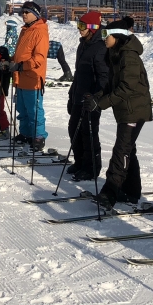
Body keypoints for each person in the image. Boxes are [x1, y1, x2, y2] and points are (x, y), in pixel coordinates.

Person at [84, 17, 152, 206]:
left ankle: (110, 192)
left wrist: (102, 104)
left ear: (118, 37)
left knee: (121, 151)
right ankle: (131, 191)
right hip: (126, 109)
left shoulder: (128, 56)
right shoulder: (116, 54)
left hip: (134, 110)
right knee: (128, 149)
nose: (103, 37)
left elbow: (126, 88)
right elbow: (110, 85)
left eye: (107, 34)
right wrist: (96, 98)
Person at [67, 11, 109, 181]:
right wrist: (72, 95)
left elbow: (104, 77)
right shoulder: (83, 44)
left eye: (82, 26)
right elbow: (79, 73)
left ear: (92, 28)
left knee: (89, 132)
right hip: (79, 94)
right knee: (73, 129)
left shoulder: (100, 47)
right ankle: (80, 162)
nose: (79, 29)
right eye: (78, 25)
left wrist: (96, 98)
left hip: (91, 98)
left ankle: (91, 168)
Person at [7, 1, 49, 150]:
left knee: (34, 110)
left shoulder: (40, 32)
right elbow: (20, 53)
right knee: (22, 108)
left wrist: (21, 65)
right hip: (20, 77)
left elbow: (39, 58)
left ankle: (38, 136)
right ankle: (25, 133)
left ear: (36, 14)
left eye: (27, 12)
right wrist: (10, 61)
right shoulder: (25, 30)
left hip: (32, 78)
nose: (23, 15)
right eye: (22, 12)